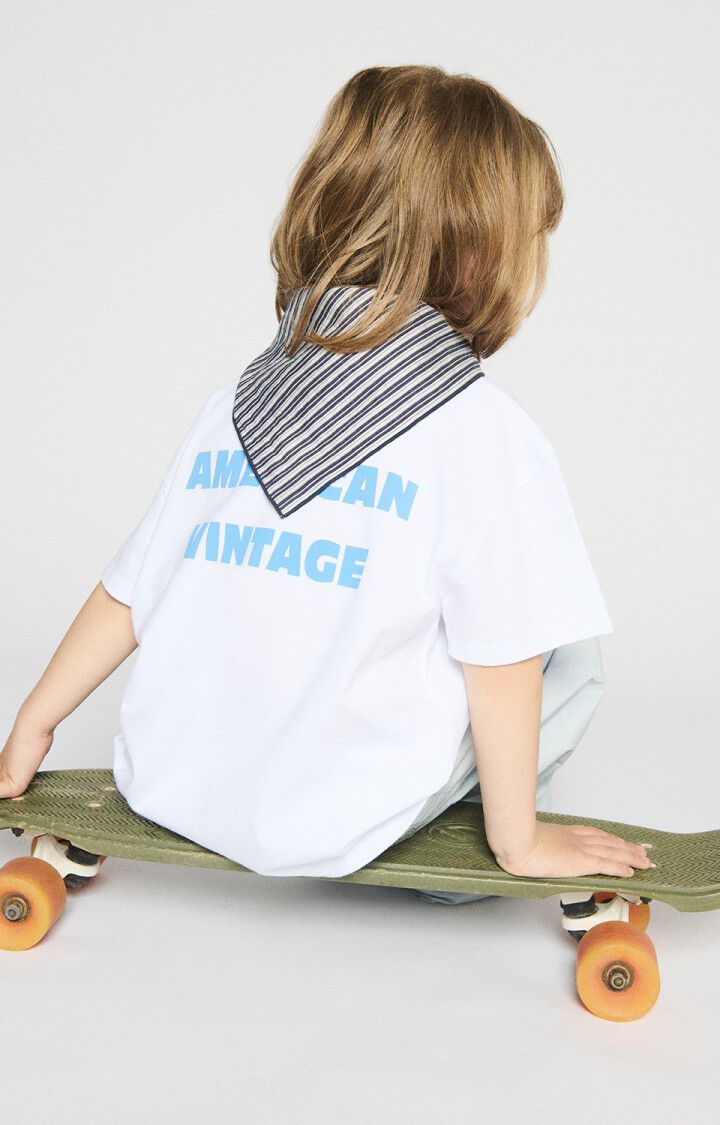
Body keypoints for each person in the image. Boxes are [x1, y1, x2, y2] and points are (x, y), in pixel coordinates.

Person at [0, 66, 653, 896]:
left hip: (170, 781)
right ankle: (481, 848)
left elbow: (129, 590)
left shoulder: (238, 398)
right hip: (338, 817)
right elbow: (503, 655)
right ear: (486, 250)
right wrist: (519, 844)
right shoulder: (488, 434)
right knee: (556, 636)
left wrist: (32, 723)